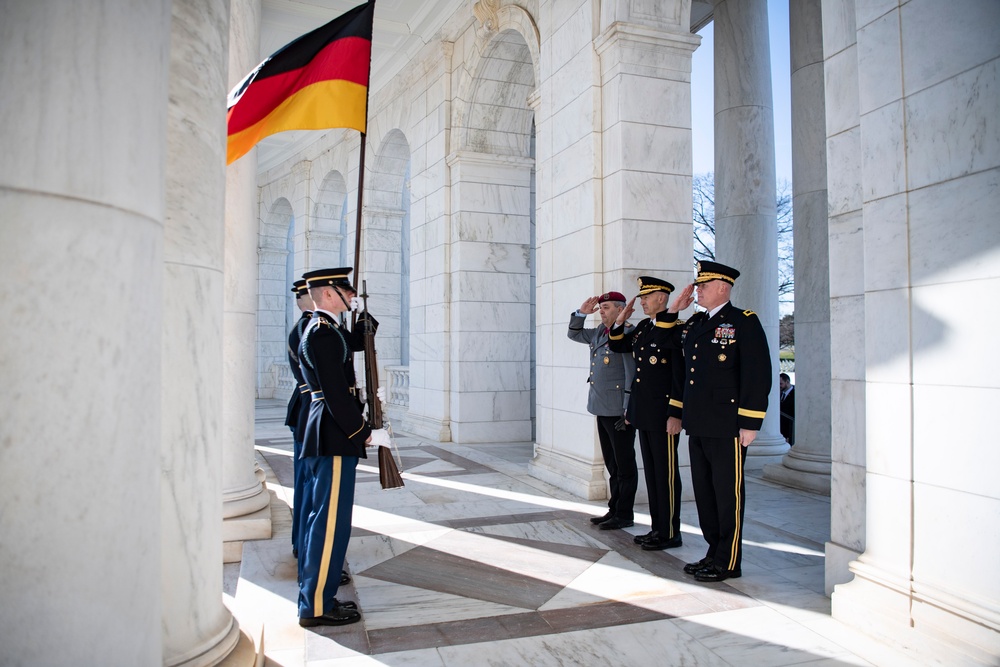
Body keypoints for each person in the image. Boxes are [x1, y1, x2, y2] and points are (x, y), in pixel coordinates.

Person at [296, 267, 388, 627]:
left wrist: (365, 319)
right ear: (329, 294)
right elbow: (335, 393)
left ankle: (319, 594)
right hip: (334, 433)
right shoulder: (321, 333)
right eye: (346, 290)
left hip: (332, 432)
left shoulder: (330, 330)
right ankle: (316, 606)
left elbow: (357, 342)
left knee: (328, 519)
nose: (352, 294)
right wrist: (364, 432)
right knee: (330, 523)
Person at [669, 261, 771, 583]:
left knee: (728, 496)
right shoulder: (696, 323)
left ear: (722, 288)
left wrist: (751, 422)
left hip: (727, 426)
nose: (697, 289)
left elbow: (757, 374)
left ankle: (728, 561)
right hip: (699, 423)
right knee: (706, 494)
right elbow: (673, 355)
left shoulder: (743, 322)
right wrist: (674, 311)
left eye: (703, 285)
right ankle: (713, 552)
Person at [608, 277, 685, 551]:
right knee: (652, 474)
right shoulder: (642, 327)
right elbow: (617, 345)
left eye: (646, 297)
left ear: (661, 299)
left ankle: (670, 532)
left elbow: (679, 375)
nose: (641, 301)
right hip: (644, 414)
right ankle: (658, 528)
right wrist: (620, 320)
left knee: (665, 475)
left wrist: (676, 413)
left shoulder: (675, 329)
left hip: (664, 416)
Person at [568, 291, 638, 531]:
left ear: (621, 309)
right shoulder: (599, 332)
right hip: (601, 406)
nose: (602, 311)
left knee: (624, 464)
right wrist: (581, 314)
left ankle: (625, 513)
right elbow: (574, 334)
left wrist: (627, 409)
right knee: (611, 463)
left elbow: (631, 373)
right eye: (601, 307)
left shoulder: (628, 333)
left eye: (606, 307)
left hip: (619, 410)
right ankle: (614, 508)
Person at [285, 279, 313, 559]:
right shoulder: (308, 327)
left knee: (306, 482)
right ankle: (305, 546)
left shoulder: (305, 325)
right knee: (307, 484)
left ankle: (301, 543)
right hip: (308, 410)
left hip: (303, 408)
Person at [779, 372, 795, 445]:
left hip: (790, 429)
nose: (779, 386)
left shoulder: (795, 394)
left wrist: (789, 435)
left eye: (781, 384)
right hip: (781, 429)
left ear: (787, 382)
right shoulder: (779, 393)